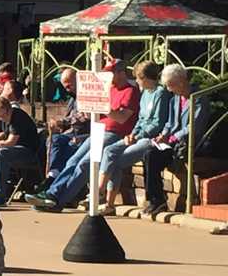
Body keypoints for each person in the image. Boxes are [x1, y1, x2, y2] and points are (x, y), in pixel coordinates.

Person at [27, 59, 140, 212]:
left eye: (110, 73)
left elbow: (122, 117)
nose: (107, 76)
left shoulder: (130, 91)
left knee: (84, 164)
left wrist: (101, 107)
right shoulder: (109, 89)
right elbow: (91, 115)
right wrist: (90, 107)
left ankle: (58, 200)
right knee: (73, 161)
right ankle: (51, 193)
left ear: (120, 73)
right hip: (99, 130)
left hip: (115, 134)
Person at [98, 61, 171, 213]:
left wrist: (138, 136)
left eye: (138, 78)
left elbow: (157, 123)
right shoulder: (145, 94)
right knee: (109, 151)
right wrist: (132, 134)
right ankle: (105, 198)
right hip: (137, 135)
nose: (136, 82)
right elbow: (140, 119)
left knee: (114, 161)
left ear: (146, 78)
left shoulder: (160, 93)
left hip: (150, 139)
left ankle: (101, 194)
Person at [142, 65, 211, 215]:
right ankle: (155, 200)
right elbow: (169, 123)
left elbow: (194, 127)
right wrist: (164, 135)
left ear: (181, 82)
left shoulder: (198, 98)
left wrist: (173, 138)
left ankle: (157, 201)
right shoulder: (176, 98)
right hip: (173, 143)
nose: (169, 89)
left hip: (190, 144)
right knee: (149, 154)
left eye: (170, 85)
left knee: (153, 157)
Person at [44, 67, 91, 185]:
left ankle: (57, 181)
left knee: (69, 146)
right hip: (70, 133)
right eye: (65, 87)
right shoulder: (72, 99)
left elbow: (84, 116)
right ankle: (53, 174)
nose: (67, 90)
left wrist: (62, 122)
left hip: (84, 133)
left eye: (69, 86)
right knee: (52, 139)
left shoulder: (87, 96)